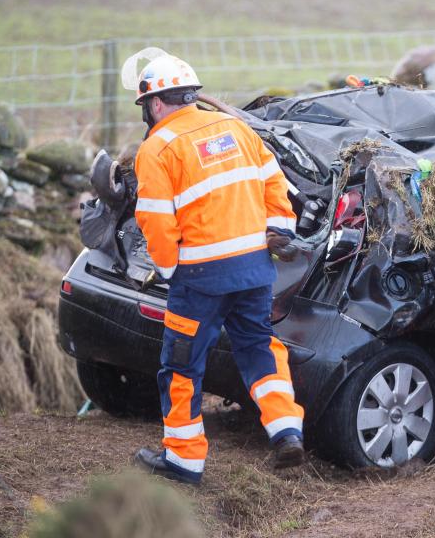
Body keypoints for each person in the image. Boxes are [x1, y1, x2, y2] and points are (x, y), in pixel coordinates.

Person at [120, 47, 304, 485]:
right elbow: (276, 184)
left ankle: (183, 461)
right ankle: (286, 431)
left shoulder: (157, 148)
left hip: (200, 279)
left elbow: (156, 221)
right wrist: (279, 231)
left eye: (146, 106)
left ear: (157, 103)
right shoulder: (235, 128)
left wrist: (167, 269)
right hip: (255, 271)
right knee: (260, 348)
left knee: (181, 365)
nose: (148, 114)